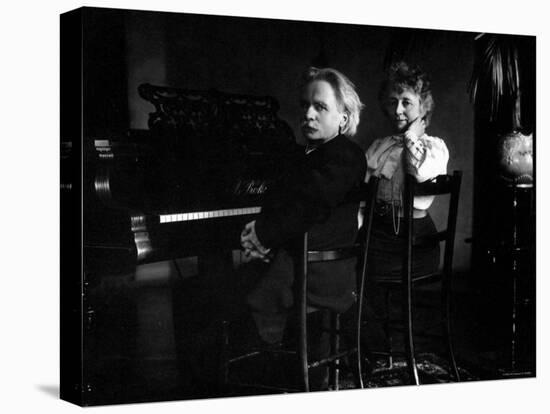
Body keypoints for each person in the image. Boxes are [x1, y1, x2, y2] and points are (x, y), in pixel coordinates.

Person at [239, 67, 366, 350]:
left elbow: (309, 205)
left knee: (234, 290)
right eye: (305, 105)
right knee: (227, 285)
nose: (308, 114)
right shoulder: (302, 155)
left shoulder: (346, 155)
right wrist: (260, 232)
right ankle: (268, 358)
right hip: (301, 258)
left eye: (320, 107)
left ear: (343, 118)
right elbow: (279, 201)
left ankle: (272, 362)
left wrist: (263, 235)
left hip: (323, 271)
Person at [363, 61, 449, 281]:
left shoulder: (434, 147)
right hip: (377, 236)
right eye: (393, 102)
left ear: (423, 107)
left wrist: (411, 136)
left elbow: (421, 174)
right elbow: (362, 193)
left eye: (406, 102)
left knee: (360, 269)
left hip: (416, 242)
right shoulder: (379, 146)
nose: (398, 110)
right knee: (349, 263)